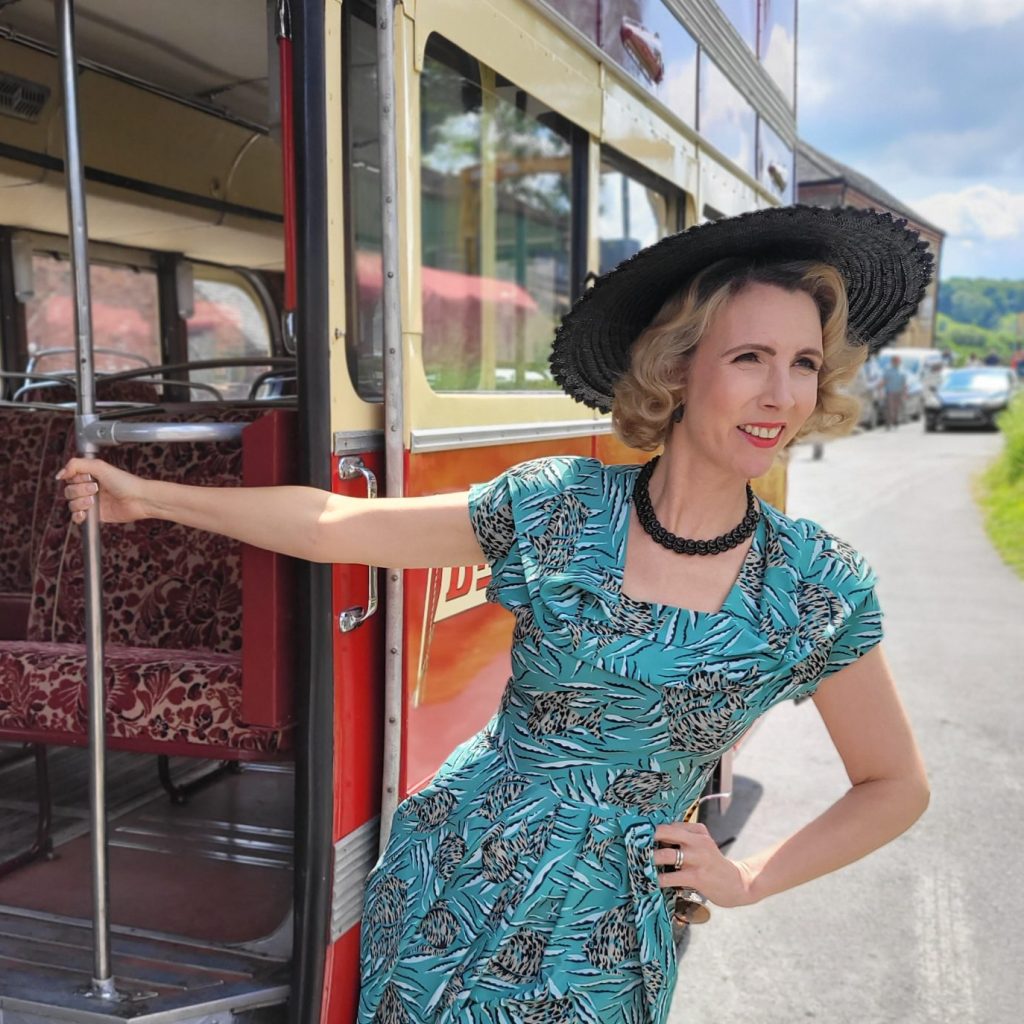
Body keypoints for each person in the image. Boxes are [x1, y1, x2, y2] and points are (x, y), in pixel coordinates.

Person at [58, 205, 932, 1024]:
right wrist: (152, 497)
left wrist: (746, 878)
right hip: (448, 881)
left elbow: (895, 785)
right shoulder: (558, 506)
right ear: (677, 366)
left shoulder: (815, 584)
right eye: (750, 358)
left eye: (804, 363)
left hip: (603, 941)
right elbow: (333, 525)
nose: (782, 394)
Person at [882, 353, 907, 429]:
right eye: (895, 361)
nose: (896, 362)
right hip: (890, 392)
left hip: (899, 392)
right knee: (890, 408)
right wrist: (880, 390)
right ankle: (888, 423)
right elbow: (884, 381)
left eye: (898, 361)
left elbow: (904, 383)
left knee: (896, 408)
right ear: (892, 362)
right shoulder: (888, 370)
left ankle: (895, 421)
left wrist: (905, 393)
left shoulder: (902, 370)